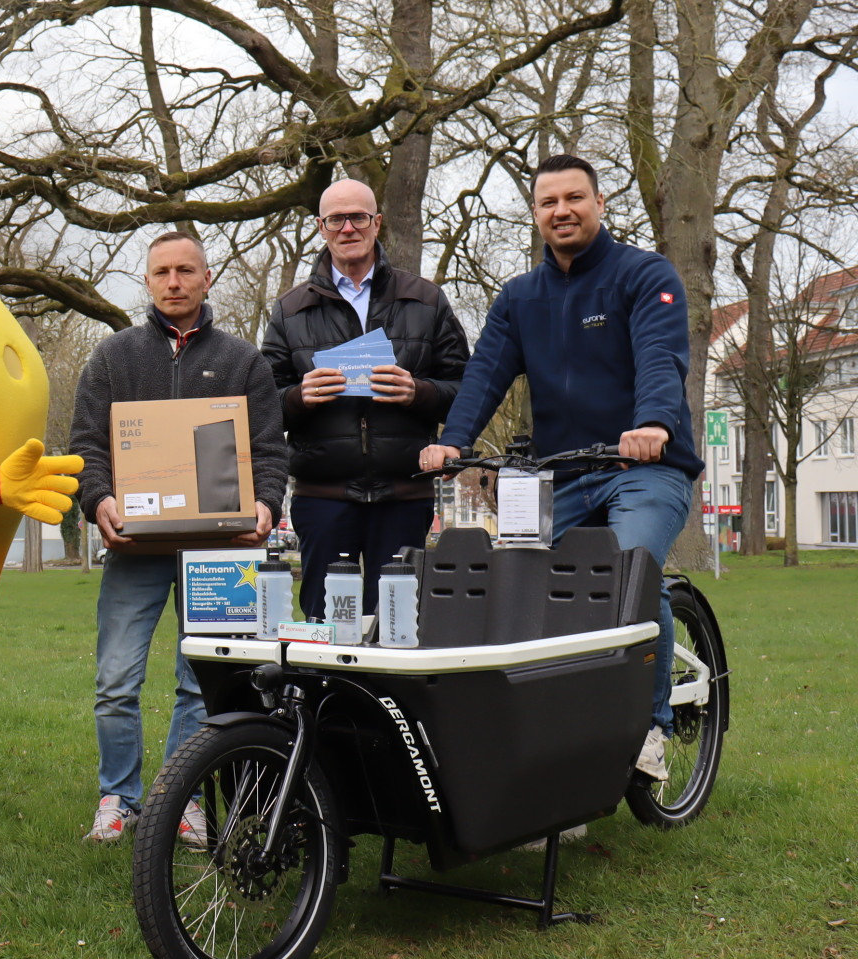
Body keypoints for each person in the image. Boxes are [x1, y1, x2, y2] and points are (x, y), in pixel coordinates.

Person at [420, 154, 702, 782]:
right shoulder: (520, 298)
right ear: (536, 214)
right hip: (564, 474)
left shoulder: (643, 274)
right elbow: (484, 374)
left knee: (631, 572)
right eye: (549, 202)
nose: (562, 211)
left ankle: (650, 725)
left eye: (574, 198)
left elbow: (660, 354)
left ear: (600, 203)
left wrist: (654, 423)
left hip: (643, 467)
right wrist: (454, 443)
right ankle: (553, 738)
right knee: (522, 586)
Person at [70, 230, 288, 843]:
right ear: (147, 280)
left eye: (186, 270)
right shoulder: (113, 357)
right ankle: (118, 798)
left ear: (206, 278)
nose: (174, 281)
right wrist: (99, 499)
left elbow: (269, 452)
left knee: (202, 681)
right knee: (116, 682)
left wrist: (266, 505)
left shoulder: (244, 361)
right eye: (162, 271)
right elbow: (86, 445)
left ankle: (181, 798)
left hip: (218, 552)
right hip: (135, 548)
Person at [261, 180, 471, 619]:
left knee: (398, 625)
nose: (347, 228)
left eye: (358, 217)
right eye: (336, 219)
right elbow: (262, 406)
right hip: (323, 495)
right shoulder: (289, 310)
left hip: (404, 494)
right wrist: (299, 397)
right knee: (323, 624)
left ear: (377, 223)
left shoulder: (426, 300)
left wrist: (419, 392)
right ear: (321, 227)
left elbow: (467, 393)